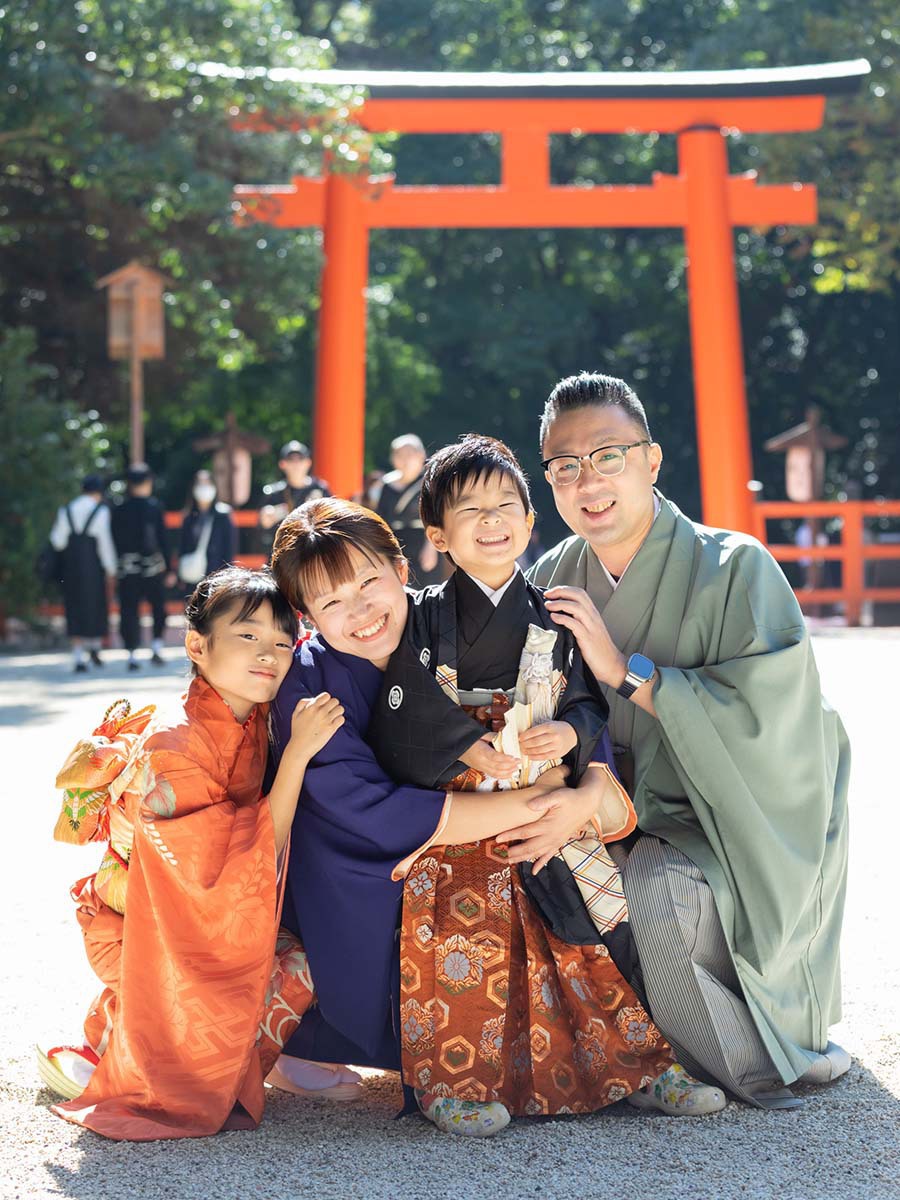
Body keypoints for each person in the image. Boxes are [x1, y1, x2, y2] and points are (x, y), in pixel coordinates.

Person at [268, 500, 673, 1137]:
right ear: (306, 618)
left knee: (586, 887)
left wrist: (584, 789)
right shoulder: (311, 680)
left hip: (513, 817)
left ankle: (628, 1058)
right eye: (331, 601)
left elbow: (561, 704)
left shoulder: (457, 617)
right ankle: (452, 1074)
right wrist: (532, 807)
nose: (362, 611)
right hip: (380, 861)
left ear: (403, 566)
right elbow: (359, 806)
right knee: (465, 895)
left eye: (371, 582)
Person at [527, 371, 851, 1110]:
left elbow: (773, 723)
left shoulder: (738, 567)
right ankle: (595, 1054)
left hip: (724, 820)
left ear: (653, 460)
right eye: (564, 467)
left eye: (608, 456)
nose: (588, 481)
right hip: (600, 808)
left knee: (659, 887)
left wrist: (626, 672)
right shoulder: (549, 577)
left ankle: (763, 1057)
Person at [38, 567, 349, 1140]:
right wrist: (300, 756)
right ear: (197, 646)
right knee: (281, 970)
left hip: (183, 919)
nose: (270, 655)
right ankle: (114, 1037)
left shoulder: (252, 718)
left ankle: (216, 1047)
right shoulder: (173, 745)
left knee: (313, 954)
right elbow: (226, 869)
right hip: (144, 935)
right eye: (248, 636)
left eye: (284, 642)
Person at [48, 473, 117, 672]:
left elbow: (58, 540)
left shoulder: (66, 510)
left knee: (74, 606)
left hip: (71, 567)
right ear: (98, 492)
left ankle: (78, 654)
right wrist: (111, 567)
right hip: (93, 566)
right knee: (96, 604)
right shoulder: (100, 511)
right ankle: (95, 648)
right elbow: (104, 543)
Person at [111, 463, 174, 670]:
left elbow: (114, 539)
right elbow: (163, 539)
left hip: (127, 567)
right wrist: (170, 567)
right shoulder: (154, 507)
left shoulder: (119, 508)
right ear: (148, 482)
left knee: (129, 609)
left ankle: (131, 654)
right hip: (153, 566)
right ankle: (156, 646)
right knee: (157, 607)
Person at [374, 433, 442, 587]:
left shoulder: (430, 482)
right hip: (397, 543)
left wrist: (431, 547)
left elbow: (437, 516)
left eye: (409, 454)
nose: (404, 459)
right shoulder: (387, 485)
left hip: (425, 540)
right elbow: (381, 520)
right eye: (399, 454)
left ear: (421, 455)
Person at [258, 440, 330, 552]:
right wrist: (273, 513)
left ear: (308, 463)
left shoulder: (320, 488)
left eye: (300, 459)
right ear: (282, 464)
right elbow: (263, 524)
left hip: (313, 550)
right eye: (291, 460)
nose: (296, 464)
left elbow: (331, 520)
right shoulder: (274, 492)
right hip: (283, 551)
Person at [177, 469, 238, 588]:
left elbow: (230, 548)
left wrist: (227, 575)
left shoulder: (223, 515)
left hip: (216, 575)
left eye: (207, 482)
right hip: (192, 575)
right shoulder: (188, 517)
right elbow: (182, 548)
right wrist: (179, 574)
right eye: (200, 483)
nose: (203, 487)